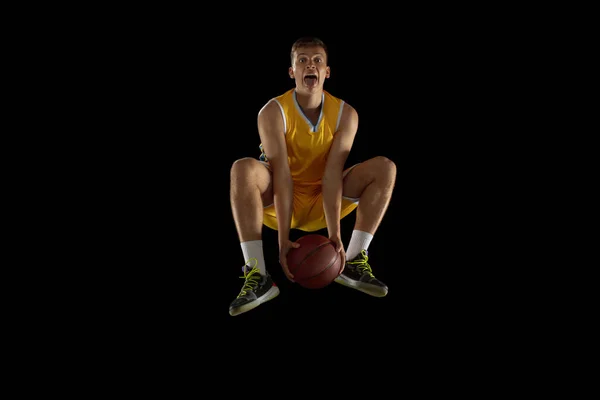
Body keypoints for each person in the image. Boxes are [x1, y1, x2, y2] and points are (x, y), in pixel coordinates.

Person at [228, 36, 397, 316]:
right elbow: (281, 175)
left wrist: (335, 236)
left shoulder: (345, 114)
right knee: (243, 167)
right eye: (302, 60)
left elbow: (332, 175)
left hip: (324, 199)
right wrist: (282, 241)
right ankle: (257, 274)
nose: (311, 65)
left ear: (327, 71)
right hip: (281, 203)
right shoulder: (273, 111)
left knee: (385, 167)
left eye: (318, 60)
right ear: (292, 71)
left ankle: (353, 261)